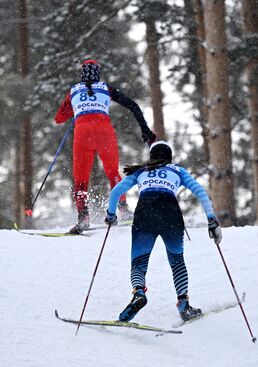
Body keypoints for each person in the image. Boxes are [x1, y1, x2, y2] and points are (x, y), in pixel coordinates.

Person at [104, 141, 222, 322]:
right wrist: (212, 221)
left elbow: (116, 191)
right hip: (170, 214)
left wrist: (111, 215)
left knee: (139, 263)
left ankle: (138, 293)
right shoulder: (177, 170)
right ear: (170, 157)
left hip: (145, 213)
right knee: (177, 262)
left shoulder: (141, 171)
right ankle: (184, 305)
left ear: (151, 156)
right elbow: (200, 192)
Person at [55, 59, 156, 234]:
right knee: (112, 172)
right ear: (98, 74)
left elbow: (59, 118)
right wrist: (145, 129)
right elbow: (133, 105)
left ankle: (83, 217)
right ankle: (123, 210)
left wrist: (75, 109)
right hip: (104, 132)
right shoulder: (106, 88)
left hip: (82, 134)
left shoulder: (74, 91)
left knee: (81, 179)